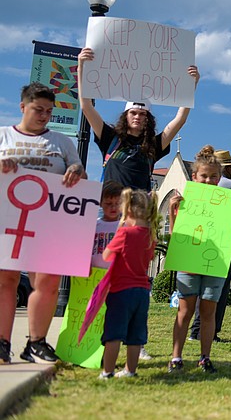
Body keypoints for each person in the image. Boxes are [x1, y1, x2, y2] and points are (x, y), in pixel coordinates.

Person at [0, 82, 85, 365]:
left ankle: (36, 343)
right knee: (6, 280)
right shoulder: (3, 137)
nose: (44, 115)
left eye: (49, 111)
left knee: (47, 282)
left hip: (49, 223)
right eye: (38, 109)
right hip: (8, 219)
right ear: (23, 106)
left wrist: (75, 170)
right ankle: (2, 342)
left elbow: (79, 173)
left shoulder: (62, 143)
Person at [76, 47, 200, 191]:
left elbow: (180, 119)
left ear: (148, 119)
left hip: (139, 209)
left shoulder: (154, 145)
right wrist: (81, 67)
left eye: (142, 114)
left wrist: (191, 85)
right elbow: (86, 107)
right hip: (110, 207)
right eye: (133, 113)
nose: (137, 117)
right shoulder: (110, 138)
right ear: (125, 116)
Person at [167, 146, 228, 374]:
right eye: (204, 176)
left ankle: (205, 357)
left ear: (219, 178)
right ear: (194, 177)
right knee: (185, 311)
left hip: (215, 263)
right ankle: (176, 357)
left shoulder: (226, 205)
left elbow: (230, 237)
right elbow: (175, 237)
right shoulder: (185, 202)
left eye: (214, 176)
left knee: (208, 312)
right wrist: (174, 213)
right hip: (188, 262)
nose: (209, 180)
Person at [188, 149, 231, 342]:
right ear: (227, 168)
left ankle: (195, 331)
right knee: (218, 291)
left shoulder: (198, 183)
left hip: (199, 242)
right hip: (222, 245)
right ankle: (211, 331)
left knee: (198, 291)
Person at [98, 189, 161, 379]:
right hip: (142, 292)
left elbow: (106, 256)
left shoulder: (124, 233)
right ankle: (130, 370)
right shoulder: (151, 236)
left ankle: (107, 372)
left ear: (128, 210)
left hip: (121, 291)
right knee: (135, 336)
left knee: (114, 334)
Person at [92, 180, 124, 269]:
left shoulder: (125, 227)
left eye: (117, 203)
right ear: (100, 203)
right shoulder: (94, 225)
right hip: (93, 274)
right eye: (108, 203)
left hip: (116, 274)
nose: (113, 207)